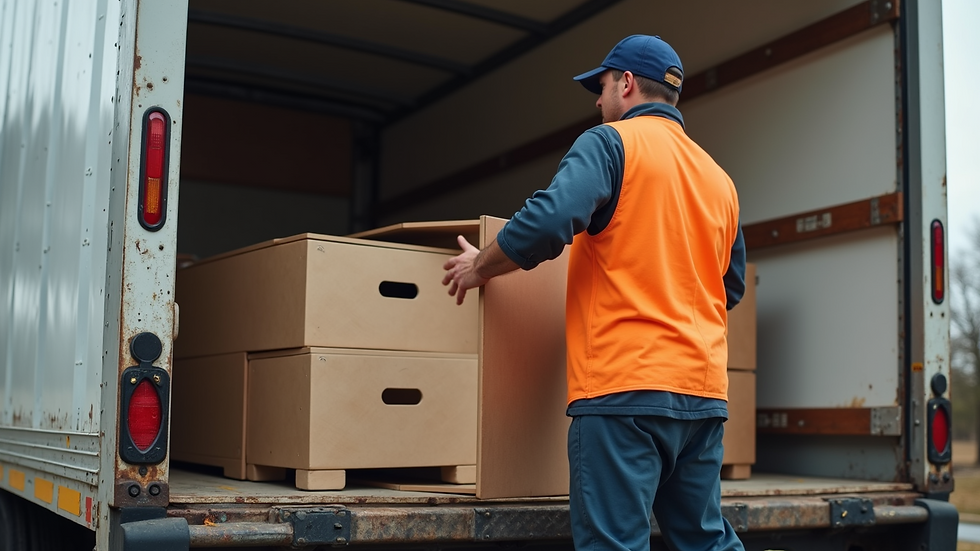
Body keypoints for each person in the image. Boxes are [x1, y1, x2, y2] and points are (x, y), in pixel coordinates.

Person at [442, 34, 746, 551]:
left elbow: (550, 220)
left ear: (626, 83)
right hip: (701, 397)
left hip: (622, 392)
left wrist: (482, 266)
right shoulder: (720, 180)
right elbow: (729, 288)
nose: (597, 101)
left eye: (601, 86)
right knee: (705, 543)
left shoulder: (609, 144)